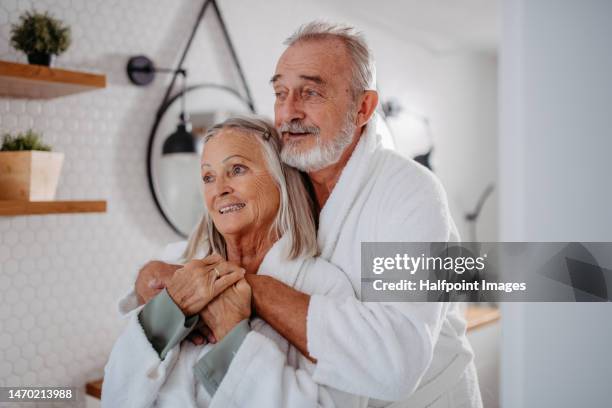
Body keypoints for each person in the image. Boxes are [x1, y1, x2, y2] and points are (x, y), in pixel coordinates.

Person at [134, 22, 483, 408]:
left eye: (311, 92)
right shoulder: (286, 168)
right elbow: (223, 238)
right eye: (280, 93)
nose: (287, 112)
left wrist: (244, 287)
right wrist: (156, 276)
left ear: (363, 107)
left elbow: (397, 360)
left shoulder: (409, 192)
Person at [102, 117, 360, 407]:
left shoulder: (325, 288)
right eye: (208, 177)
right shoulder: (178, 267)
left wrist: (233, 336)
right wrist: (163, 315)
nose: (219, 189)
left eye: (237, 169)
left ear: (281, 177)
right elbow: (115, 393)